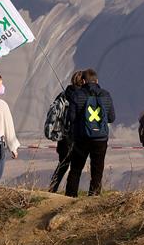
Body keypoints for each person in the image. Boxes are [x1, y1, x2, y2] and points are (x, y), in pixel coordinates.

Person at [65, 68, 115, 197]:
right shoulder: (106, 95)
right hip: (100, 139)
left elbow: (71, 118)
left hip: (81, 138)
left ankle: (70, 197)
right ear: (97, 80)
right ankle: (94, 195)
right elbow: (111, 118)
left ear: (83, 80)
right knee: (97, 169)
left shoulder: (77, 95)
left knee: (76, 169)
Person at [48, 71, 84, 193]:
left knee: (62, 164)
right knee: (76, 167)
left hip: (63, 137)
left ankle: (52, 189)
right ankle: (71, 192)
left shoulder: (63, 95)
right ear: (83, 81)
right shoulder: (83, 97)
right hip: (78, 136)